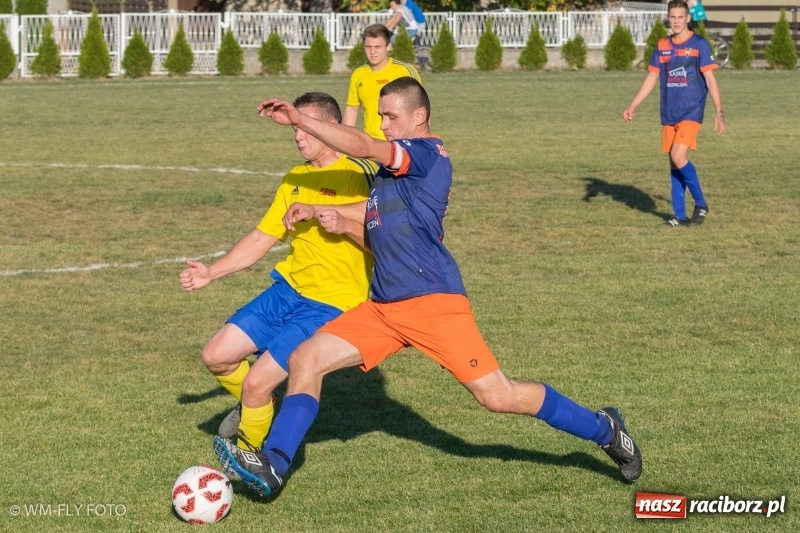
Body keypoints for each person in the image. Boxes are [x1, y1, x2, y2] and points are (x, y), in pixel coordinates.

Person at [212, 78, 643, 497]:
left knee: (499, 396)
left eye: (391, 116)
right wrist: (324, 208)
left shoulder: (426, 154)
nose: (383, 124)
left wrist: (300, 121)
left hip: (432, 303)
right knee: (306, 358)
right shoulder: (388, 175)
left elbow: (360, 145)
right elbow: (372, 208)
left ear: (419, 116)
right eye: (380, 115)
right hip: (382, 307)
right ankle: (274, 463)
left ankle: (604, 427)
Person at [180, 92, 376, 453]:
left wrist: (343, 224)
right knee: (217, 356)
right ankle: (261, 408)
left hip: (331, 303)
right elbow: (260, 237)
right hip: (287, 291)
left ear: (331, 128)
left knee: (255, 383)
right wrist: (212, 272)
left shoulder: (362, 174)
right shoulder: (294, 179)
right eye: (294, 130)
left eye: (305, 128)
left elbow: (387, 241)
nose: (298, 136)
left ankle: (247, 459)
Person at [623, 0, 725, 227]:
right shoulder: (662, 45)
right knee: (673, 161)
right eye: (673, 17)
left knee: (679, 156)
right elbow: (652, 77)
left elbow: (710, 78)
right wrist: (634, 105)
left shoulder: (699, 44)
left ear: (688, 18)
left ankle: (701, 203)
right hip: (669, 111)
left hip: (691, 110)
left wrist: (719, 111)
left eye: (681, 17)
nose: (677, 21)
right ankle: (679, 216)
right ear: (668, 18)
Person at [343, 24, 421, 140]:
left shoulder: (404, 71)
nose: (372, 52)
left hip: (401, 143)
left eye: (377, 47)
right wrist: (344, 140)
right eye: (368, 47)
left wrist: (421, 143)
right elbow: (352, 108)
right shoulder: (358, 74)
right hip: (371, 144)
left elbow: (420, 106)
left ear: (388, 46)